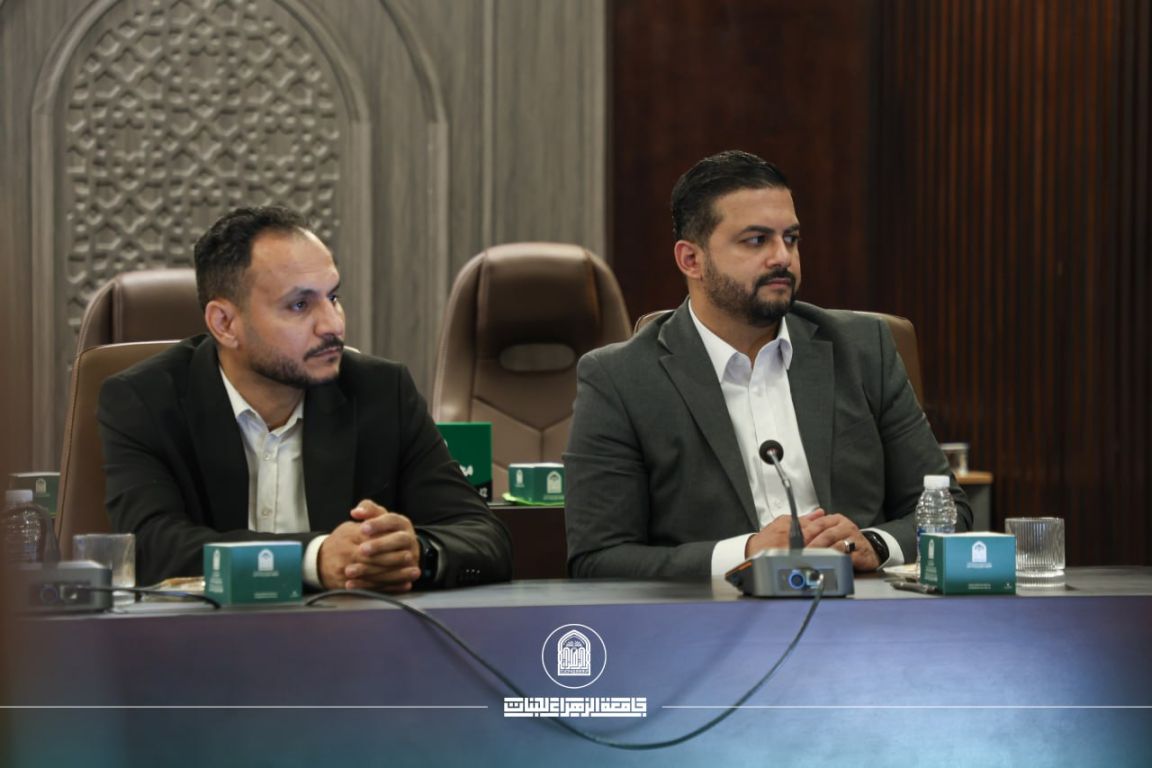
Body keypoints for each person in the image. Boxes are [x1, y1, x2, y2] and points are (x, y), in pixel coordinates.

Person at [564, 150, 970, 579]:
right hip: (714, 614)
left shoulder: (864, 350)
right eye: (757, 240)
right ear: (691, 260)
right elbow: (598, 559)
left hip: (858, 607)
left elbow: (951, 512)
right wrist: (746, 553)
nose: (782, 258)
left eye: (790, 239)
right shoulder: (620, 379)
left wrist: (873, 544)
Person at [99, 206, 512, 590]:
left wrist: (414, 553)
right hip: (199, 639)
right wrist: (314, 559)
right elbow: (150, 549)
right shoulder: (145, 401)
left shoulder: (381, 392)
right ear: (224, 323)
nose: (332, 325)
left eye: (333, 297)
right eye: (299, 305)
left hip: (350, 637)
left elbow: (483, 537)